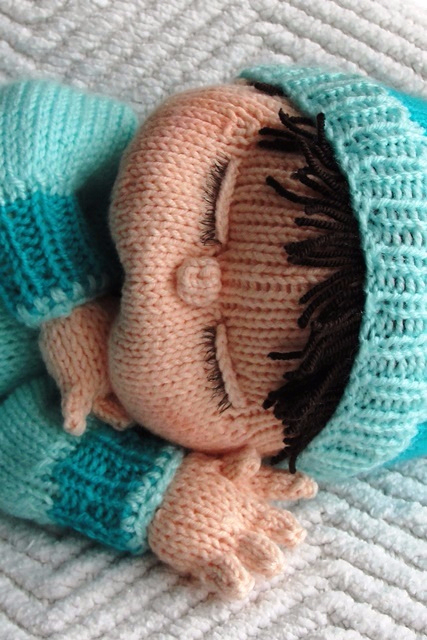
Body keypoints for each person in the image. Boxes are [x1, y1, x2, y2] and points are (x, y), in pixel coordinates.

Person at [0, 67, 425, 597]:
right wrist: (63, 296)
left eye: (213, 357)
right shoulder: (97, 163)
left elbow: (15, 450)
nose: (180, 280)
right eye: (215, 193)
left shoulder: (126, 411)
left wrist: (158, 495)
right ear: (262, 97)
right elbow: (19, 127)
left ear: (248, 450)